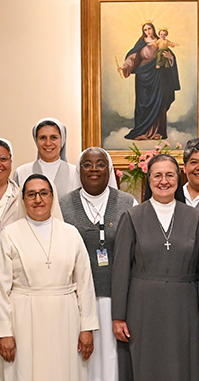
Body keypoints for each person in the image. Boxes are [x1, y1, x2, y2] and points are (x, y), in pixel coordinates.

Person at [0, 175, 99, 381]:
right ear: (23, 200)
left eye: (43, 193)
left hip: (65, 320)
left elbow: (86, 284)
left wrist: (87, 328)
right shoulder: (9, 235)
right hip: (22, 322)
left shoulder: (71, 234)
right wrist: (3, 332)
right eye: (31, 194)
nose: (38, 200)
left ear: (52, 197)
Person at [112, 154, 199, 381]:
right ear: (149, 179)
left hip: (185, 306)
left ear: (178, 179)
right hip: (142, 307)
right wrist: (118, 316)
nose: (164, 181)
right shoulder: (132, 217)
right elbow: (120, 270)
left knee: (182, 366)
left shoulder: (195, 217)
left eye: (169, 175)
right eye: (157, 175)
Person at [58, 147, 137, 381]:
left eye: (101, 164)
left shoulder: (127, 202)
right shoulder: (63, 205)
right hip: (77, 299)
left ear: (110, 169)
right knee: (83, 358)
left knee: (113, 360)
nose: (94, 169)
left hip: (116, 298)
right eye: (87, 164)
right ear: (78, 170)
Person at [116, 21, 180, 141]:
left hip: (158, 75)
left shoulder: (160, 41)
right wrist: (125, 66)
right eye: (145, 29)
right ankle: (143, 132)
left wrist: (170, 58)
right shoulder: (141, 43)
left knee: (158, 102)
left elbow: (168, 54)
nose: (148, 31)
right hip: (143, 76)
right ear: (143, 31)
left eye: (149, 29)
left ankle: (157, 132)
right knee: (143, 103)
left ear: (153, 29)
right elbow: (133, 57)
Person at [12, 118, 82, 197]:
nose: (48, 143)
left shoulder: (76, 173)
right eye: (43, 138)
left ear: (62, 140)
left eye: (54, 138)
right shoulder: (21, 172)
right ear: (36, 140)